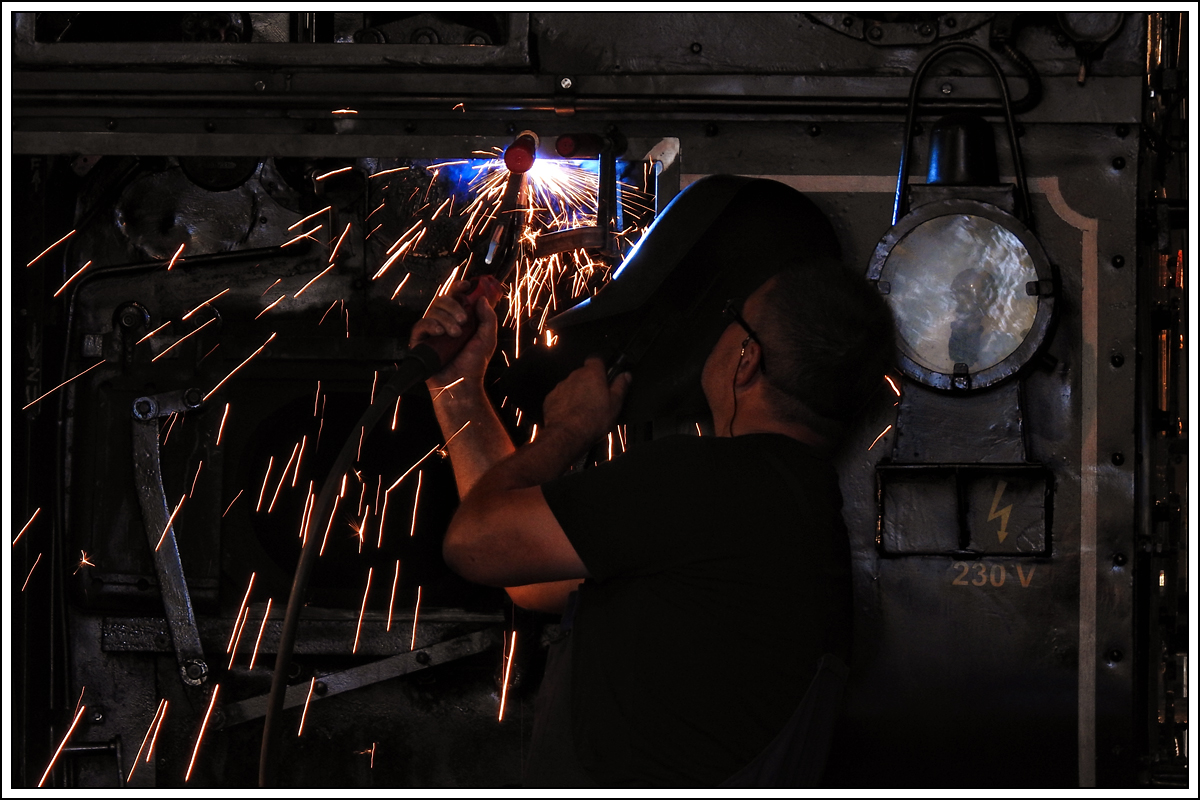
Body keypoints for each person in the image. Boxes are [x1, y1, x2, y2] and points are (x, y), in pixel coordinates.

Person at [409, 258, 894, 786]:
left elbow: (473, 541)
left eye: (734, 316)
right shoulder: (788, 503)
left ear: (747, 359)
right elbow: (525, 572)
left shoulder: (708, 481)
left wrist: (571, 427)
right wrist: (457, 388)